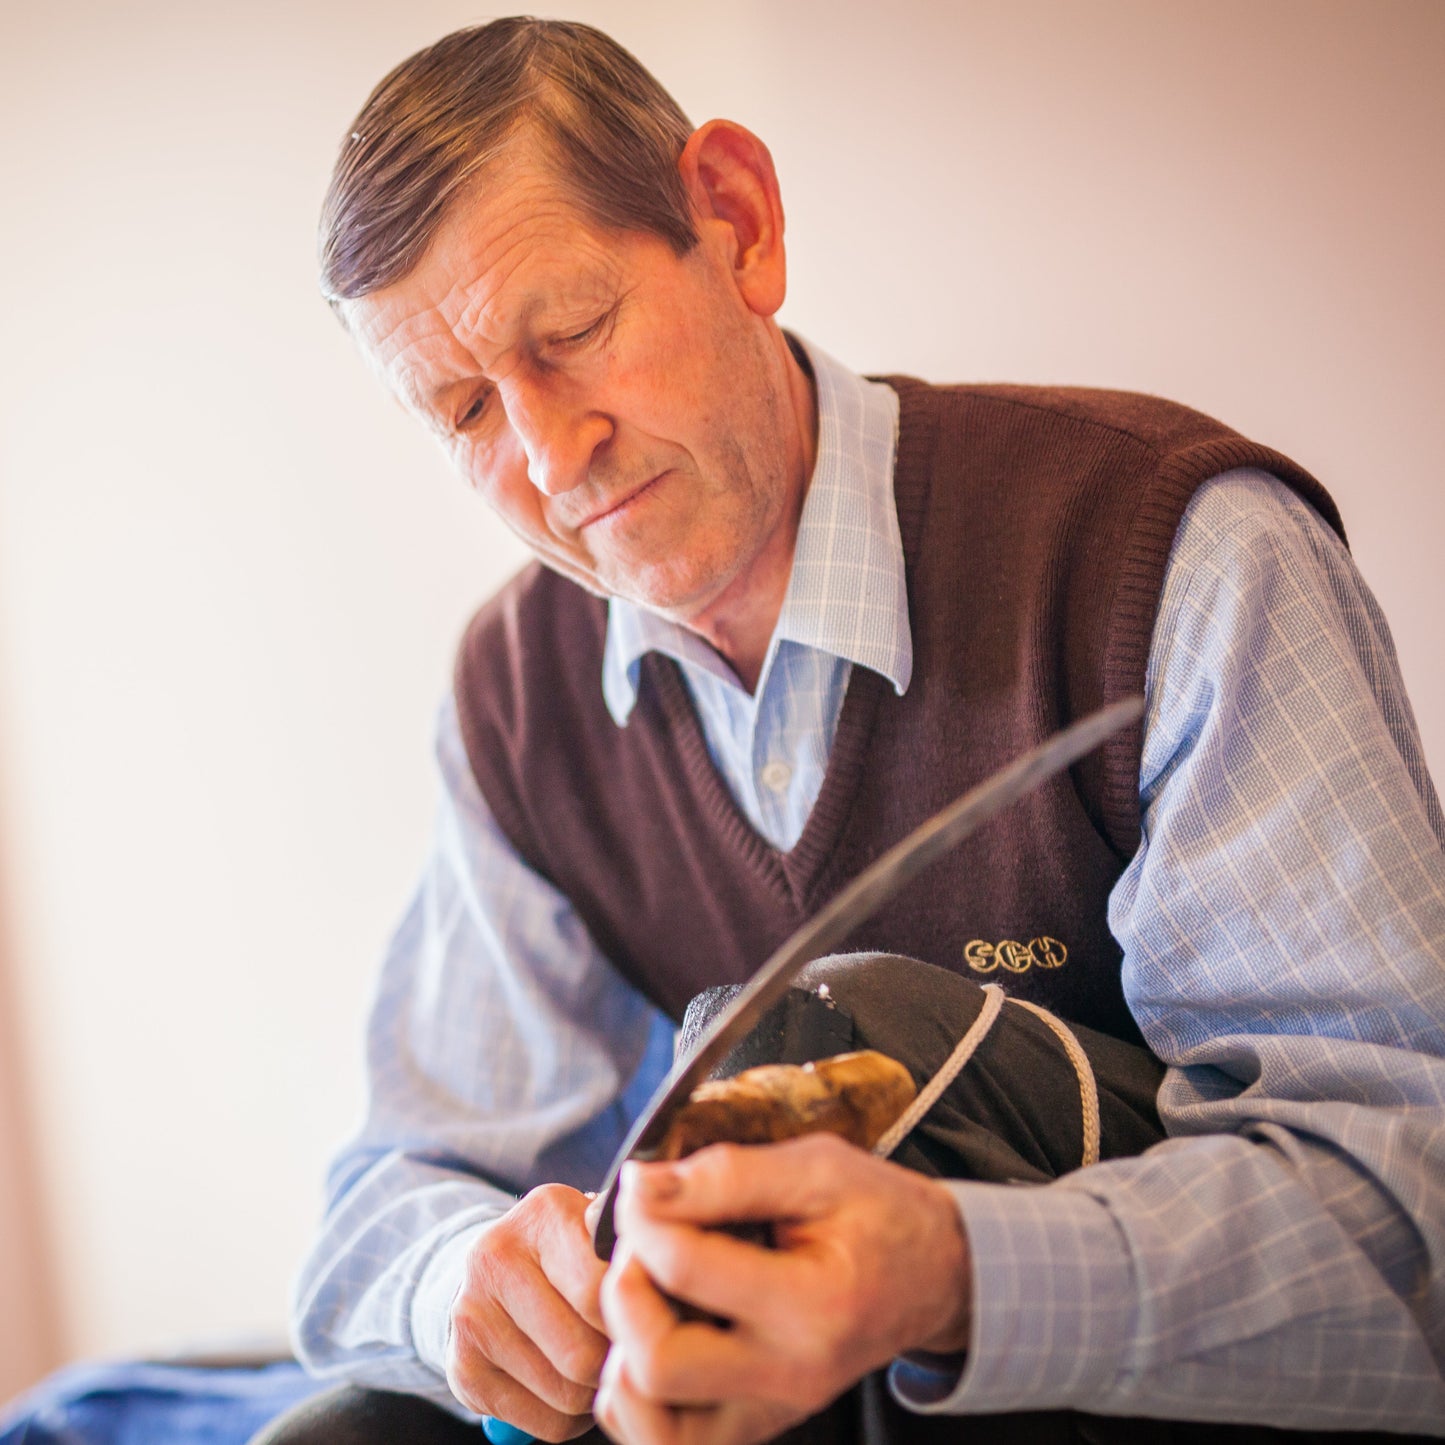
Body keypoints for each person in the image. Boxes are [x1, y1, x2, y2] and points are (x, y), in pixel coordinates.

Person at [267, 16, 1445, 1445]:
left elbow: (1410, 1216)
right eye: (465, 411)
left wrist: (951, 1278)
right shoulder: (520, 699)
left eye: (571, 332)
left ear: (738, 223)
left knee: (846, 1029)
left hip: (1143, 1407)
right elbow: (380, 1205)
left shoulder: (1177, 554)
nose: (550, 455)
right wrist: (463, 1283)